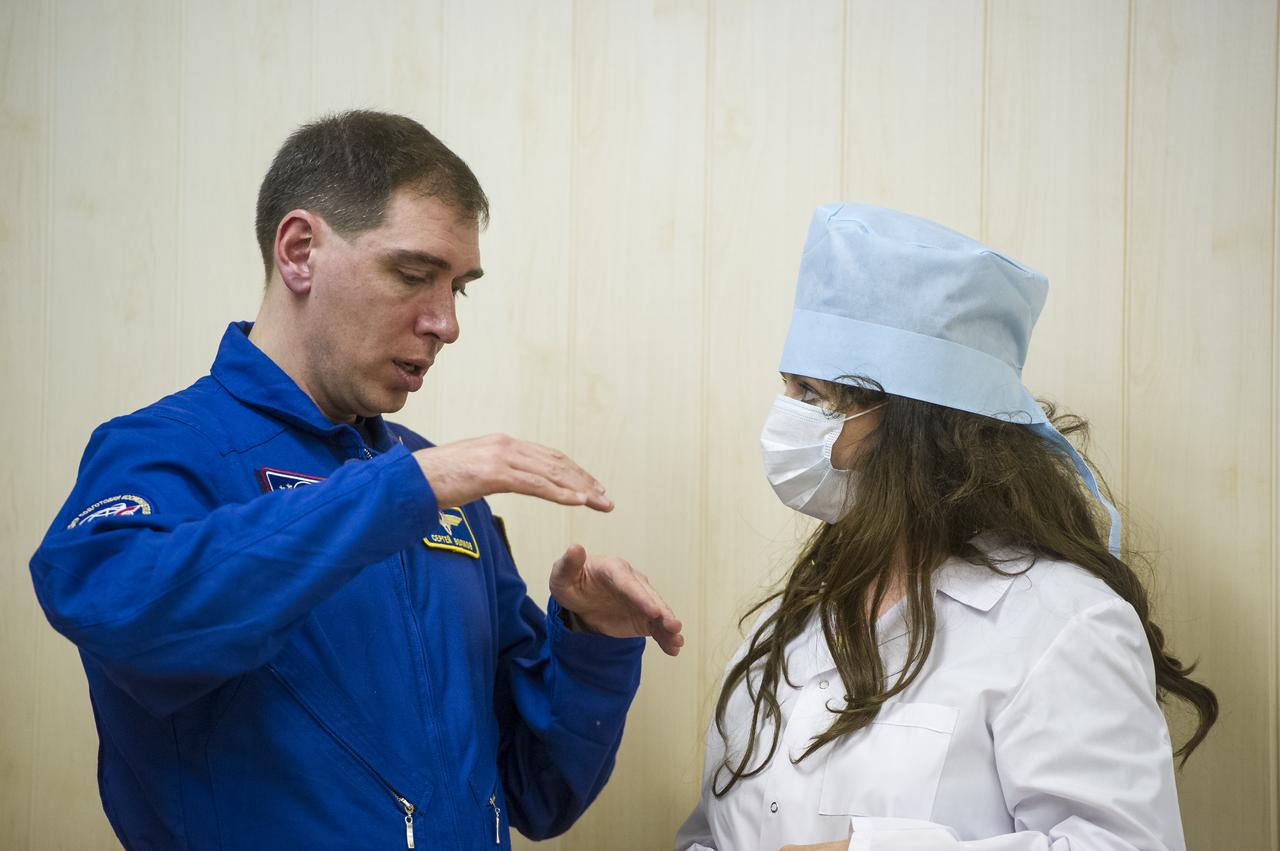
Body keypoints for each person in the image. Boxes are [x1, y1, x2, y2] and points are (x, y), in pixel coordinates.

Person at [31, 110, 683, 850]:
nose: (446, 323)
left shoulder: (437, 487)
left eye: (459, 288)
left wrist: (594, 645)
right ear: (300, 251)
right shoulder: (162, 450)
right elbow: (126, 615)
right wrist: (405, 490)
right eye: (412, 274)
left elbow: (538, 790)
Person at [676, 203, 1217, 851]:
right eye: (788, 389)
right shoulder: (797, 617)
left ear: (915, 425)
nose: (784, 420)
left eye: (814, 396)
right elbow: (714, 831)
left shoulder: (1060, 621)